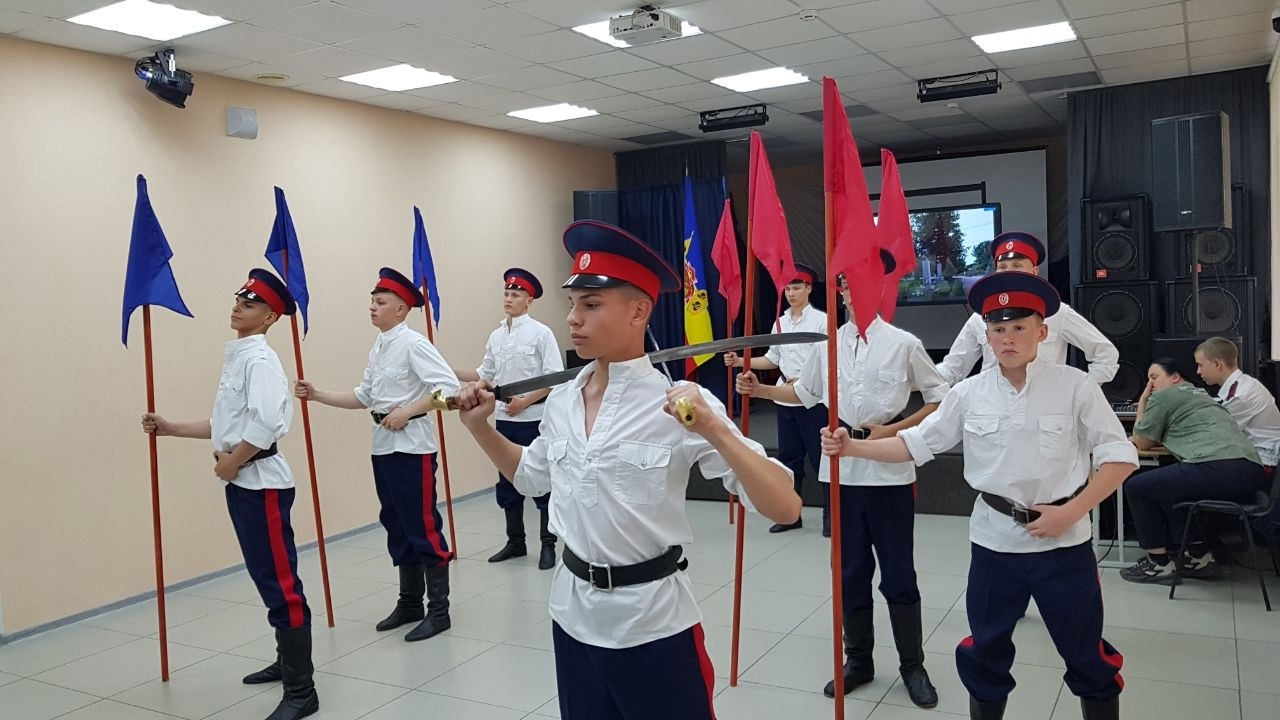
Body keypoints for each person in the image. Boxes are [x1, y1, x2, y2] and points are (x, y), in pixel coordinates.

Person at [453, 220, 802, 720]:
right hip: (572, 616)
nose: (573, 319)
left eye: (591, 305)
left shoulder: (680, 403)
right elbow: (531, 476)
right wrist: (479, 428)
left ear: (639, 311)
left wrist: (716, 431)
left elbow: (785, 506)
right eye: (572, 304)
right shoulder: (563, 400)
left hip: (653, 625)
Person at [821, 272, 1137, 720]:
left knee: (1086, 653)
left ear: (1042, 332)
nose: (1008, 338)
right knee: (986, 652)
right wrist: (852, 448)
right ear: (986, 335)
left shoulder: (1075, 386)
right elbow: (915, 444)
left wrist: (1071, 512)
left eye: (1019, 327)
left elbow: (1120, 457)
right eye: (998, 328)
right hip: (994, 544)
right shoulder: (969, 393)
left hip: (1064, 546)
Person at [736, 252, 948, 708]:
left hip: (889, 471)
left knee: (898, 573)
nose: (854, 290)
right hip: (841, 470)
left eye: (864, 281)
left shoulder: (904, 344)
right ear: (840, 292)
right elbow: (804, 393)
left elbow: (938, 397)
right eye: (846, 283)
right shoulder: (826, 344)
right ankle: (859, 661)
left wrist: (894, 429)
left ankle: (912, 665)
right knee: (849, 571)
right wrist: (761, 389)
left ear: (882, 287)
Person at [141, 269, 318, 720]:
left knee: (281, 584)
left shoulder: (260, 361)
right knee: (266, 577)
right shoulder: (239, 355)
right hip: (243, 482)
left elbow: (266, 424)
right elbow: (227, 424)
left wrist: (232, 462)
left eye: (251, 303)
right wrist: (171, 428)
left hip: (262, 485)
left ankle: (302, 691)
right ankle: (285, 661)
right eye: (239, 299)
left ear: (270, 318)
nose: (239, 306)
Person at [294, 267, 459, 642]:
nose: (372, 306)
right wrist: (317, 395)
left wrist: (409, 411)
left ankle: (439, 610)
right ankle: (410, 602)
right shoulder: (380, 346)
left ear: (401, 309)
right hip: (383, 445)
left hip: (412, 447)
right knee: (396, 523)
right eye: (372, 300)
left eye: (380, 301)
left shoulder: (414, 344)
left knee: (421, 524)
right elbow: (364, 396)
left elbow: (448, 389)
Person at [1120, 356, 1269, 583]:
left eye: (1154, 377)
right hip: (1250, 472)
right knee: (1169, 487)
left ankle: (1158, 564)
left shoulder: (1165, 396)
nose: (1150, 384)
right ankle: (1198, 556)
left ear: (1175, 378)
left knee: (1136, 487)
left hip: (1217, 467)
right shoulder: (1205, 397)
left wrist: (1143, 400)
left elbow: (1141, 441)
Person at [455, 268, 564, 569]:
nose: (509, 298)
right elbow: (484, 374)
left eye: (515, 294)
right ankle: (515, 542)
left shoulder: (541, 333)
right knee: (507, 482)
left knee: (542, 482)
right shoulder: (496, 336)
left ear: (529, 300)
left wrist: (524, 402)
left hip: (534, 418)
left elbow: (554, 378)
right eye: (506, 293)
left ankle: (548, 544)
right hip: (504, 419)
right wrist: (447, 370)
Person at [724, 262, 829, 534]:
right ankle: (791, 514)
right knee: (789, 460)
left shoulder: (821, 321)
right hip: (785, 399)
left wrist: (803, 380)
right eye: (788, 288)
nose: (791, 293)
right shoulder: (780, 322)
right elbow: (773, 359)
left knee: (822, 460)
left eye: (797, 287)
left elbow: (826, 362)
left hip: (813, 400)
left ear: (808, 289)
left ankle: (832, 517)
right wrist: (740, 361)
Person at [936, 232, 1119, 386]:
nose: (1009, 272)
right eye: (1003, 267)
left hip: (1043, 406)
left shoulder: (1056, 312)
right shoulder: (980, 316)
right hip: (992, 408)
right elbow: (953, 368)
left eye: (1017, 265)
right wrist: (921, 379)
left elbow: (1105, 354)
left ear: (1034, 272)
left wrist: (1080, 392)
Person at [1194, 336, 1280, 468]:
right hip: (1252, 457)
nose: (1198, 371)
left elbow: (1215, 434)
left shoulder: (1241, 395)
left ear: (1217, 364)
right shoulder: (1243, 385)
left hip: (1262, 463)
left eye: (1200, 365)